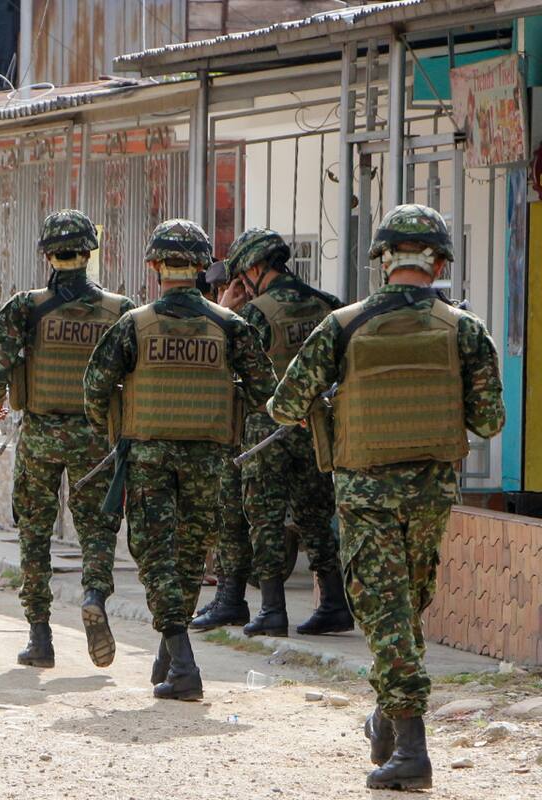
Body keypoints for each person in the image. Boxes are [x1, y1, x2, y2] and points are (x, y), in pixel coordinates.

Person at [269, 204, 504, 790]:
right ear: (440, 262)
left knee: (386, 611)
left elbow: (284, 404)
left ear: (382, 259)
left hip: (365, 490)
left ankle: (411, 751)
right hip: (429, 493)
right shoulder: (465, 330)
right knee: (402, 608)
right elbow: (492, 420)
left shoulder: (343, 325)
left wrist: (330, 408)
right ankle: (392, 718)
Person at [84, 219, 275, 700]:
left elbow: (94, 389)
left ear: (154, 266)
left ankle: (184, 665)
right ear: (203, 266)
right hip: (209, 459)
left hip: (149, 456)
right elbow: (267, 394)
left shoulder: (134, 325)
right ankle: (168, 658)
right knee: (190, 559)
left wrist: (113, 428)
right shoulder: (231, 326)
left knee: (155, 558)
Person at [0, 209, 134, 669]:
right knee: (96, 530)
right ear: (88, 252)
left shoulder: (26, 307)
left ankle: (40, 636)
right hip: (95, 436)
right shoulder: (120, 310)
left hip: (41, 435)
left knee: (34, 533)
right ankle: (93, 595)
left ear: (48, 254)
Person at [215, 228, 352, 637]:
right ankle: (333, 603)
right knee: (316, 515)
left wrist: (225, 309)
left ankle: (272, 610)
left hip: (266, 428)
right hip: (316, 427)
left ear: (254, 268)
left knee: (265, 518)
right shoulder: (327, 305)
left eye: (241, 276)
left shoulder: (255, 314)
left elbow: (225, 363)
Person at [191, 261, 254, 630]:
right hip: (228, 432)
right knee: (226, 522)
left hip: (247, 435)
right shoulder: (225, 321)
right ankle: (225, 596)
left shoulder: (241, 323)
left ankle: (233, 600)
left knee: (234, 522)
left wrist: (227, 312)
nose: (228, 296)